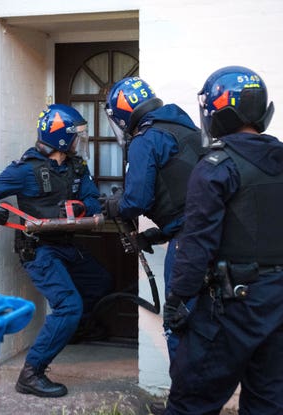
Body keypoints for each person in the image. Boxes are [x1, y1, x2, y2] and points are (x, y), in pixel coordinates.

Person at [162, 66, 283, 414]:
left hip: (231, 305)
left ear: (217, 113)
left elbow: (197, 245)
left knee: (191, 403)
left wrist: (178, 300)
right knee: (266, 404)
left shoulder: (216, 166)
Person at [0, 104, 113, 398]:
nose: (80, 141)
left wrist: (83, 208)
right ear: (62, 138)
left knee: (99, 281)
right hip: (39, 251)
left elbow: (93, 202)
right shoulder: (25, 170)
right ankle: (31, 373)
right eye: (77, 135)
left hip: (65, 245)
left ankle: (73, 329)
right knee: (68, 304)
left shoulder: (76, 167)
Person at [102, 76, 205, 359]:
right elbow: (189, 197)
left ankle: (183, 403)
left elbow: (136, 200)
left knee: (177, 322)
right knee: (202, 324)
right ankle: (201, 400)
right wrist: (158, 234)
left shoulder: (145, 139)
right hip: (211, 235)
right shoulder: (184, 129)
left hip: (188, 244)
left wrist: (114, 207)